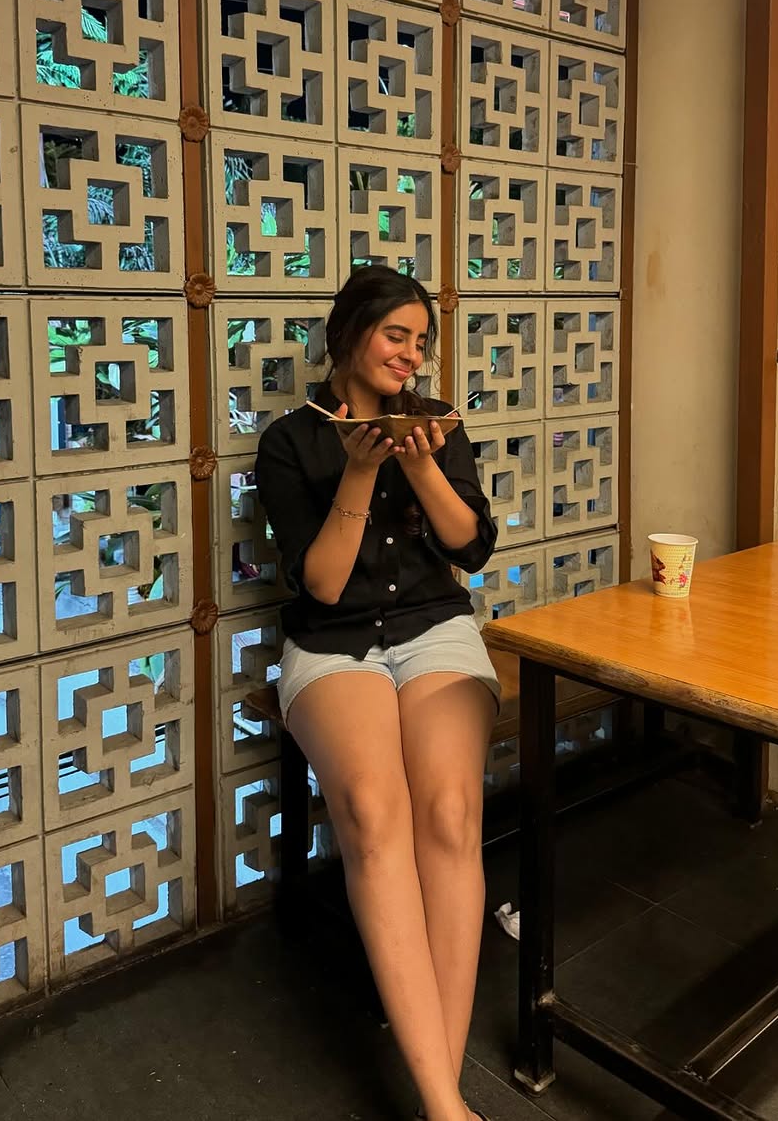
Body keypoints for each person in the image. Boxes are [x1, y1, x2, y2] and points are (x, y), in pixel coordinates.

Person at [255, 265, 500, 1121]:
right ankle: (447, 1103)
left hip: (436, 630)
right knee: (370, 810)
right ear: (349, 334)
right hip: (334, 644)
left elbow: (471, 549)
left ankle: (441, 1095)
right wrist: (359, 471)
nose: (411, 355)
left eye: (421, 341)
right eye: (397, 335)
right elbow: (322, 586)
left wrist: (421, 463)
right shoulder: (291, 441)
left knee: (451, 815)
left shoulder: (439, 423)